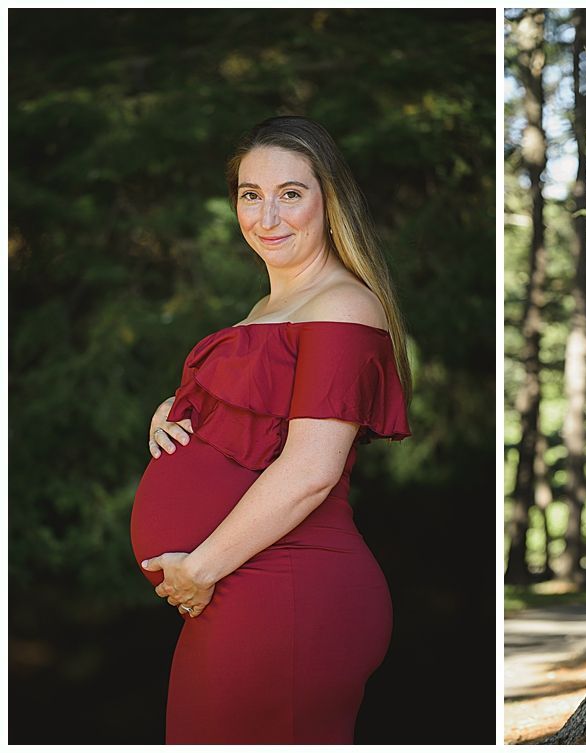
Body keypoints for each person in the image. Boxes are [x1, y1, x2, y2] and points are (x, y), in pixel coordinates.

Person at [129, 115, 412, 744]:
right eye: (250, 195)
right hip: (244, 586)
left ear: (328, 199)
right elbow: (258, 418)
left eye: (291, 193)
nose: (267, 216)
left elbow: (312, 470)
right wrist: (177, 412)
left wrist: (199, 569)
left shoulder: (342, 304)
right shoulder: (267, 308)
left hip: (288, 585)